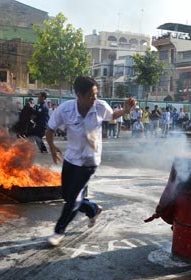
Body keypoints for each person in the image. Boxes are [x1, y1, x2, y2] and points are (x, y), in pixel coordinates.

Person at [45, 76, 136, 246]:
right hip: (71, 158)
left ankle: (59, 231)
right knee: (67, 195)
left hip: (90, 159)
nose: (94, 98)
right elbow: (49, 130)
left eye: (96, 94)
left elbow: (111, 116)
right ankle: (92, 209)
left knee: (73, 198)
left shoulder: (100, 106)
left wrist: (125, 110)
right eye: (90, 95)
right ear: (78, 94)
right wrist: (52, 147)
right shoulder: (65, 110)